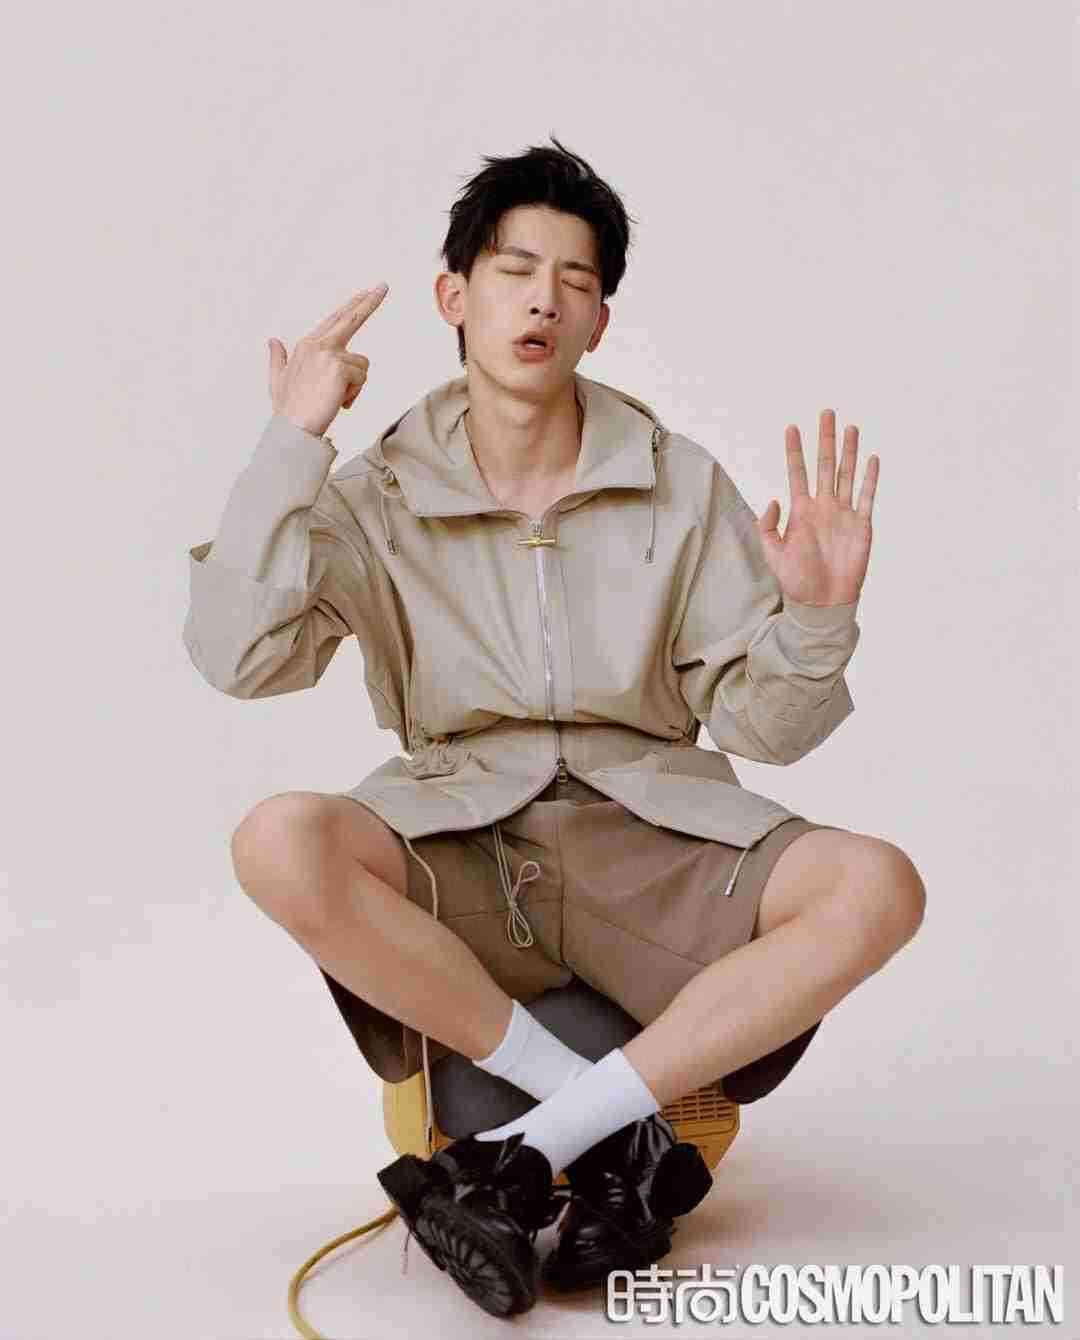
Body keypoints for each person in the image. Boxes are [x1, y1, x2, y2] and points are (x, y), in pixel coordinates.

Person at [183, 137, 926, 1318]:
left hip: (653, 840)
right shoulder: (375, 492)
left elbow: (768, 728)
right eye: (515, 269)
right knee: (276, 835)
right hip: (466, 846)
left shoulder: (679, 483)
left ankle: (536, 1149)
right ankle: (608, 1126)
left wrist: (819, 617)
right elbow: (240, 657)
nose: (543, 299)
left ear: (599, 320)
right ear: (454, 296)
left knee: (879, 884)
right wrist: (292, 443)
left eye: (574, 280)